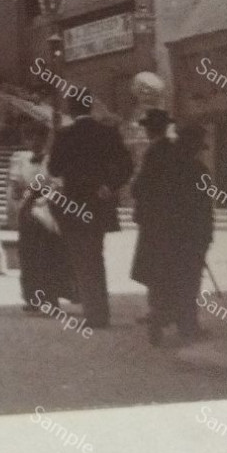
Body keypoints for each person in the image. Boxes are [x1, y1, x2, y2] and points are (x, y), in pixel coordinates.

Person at [47, 88, 135, 329]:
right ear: (90, 106)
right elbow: (127, 164)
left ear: (71, 108)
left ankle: (94, 312)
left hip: (74, 203)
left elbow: (54, 169)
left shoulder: (64, 135)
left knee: (82, 258)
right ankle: (99, 311)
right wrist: (110, 184)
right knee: (95, 254)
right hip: (100, 203)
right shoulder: (108, 133)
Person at [133, 117, 214, 344]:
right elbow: (204, 210)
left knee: (161, 277)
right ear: (195, 146)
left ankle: (158, 318)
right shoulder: (199, 170)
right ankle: (187, 325)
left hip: (158, 233)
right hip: (187, 237)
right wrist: (206, 237)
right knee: (188, 279)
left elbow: (138, 189)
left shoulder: (157, 162)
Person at [14, 124, 73, 312]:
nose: (35, 142)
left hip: (46, 210)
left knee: (47, 256)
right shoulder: (22, 161)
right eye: (31, 138)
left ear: (45, 140)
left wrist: (43, 197)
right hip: (27, 210)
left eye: (39, 138)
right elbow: (18, 185)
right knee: (28, 255)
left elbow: (58, 183)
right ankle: (33, 297)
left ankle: (51, 297)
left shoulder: (51, 161)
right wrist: (20, 194)